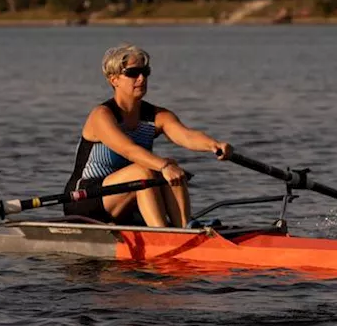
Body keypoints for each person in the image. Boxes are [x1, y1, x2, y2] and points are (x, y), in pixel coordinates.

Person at [63, 43, 233, 228]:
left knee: (169, 166)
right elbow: (129, 150)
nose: (141, 78)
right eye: (133, 73)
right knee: (148, 170)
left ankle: (184, 227)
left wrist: (214, 145)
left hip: (125, 196)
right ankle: (162, 234)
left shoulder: (157, 116)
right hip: (85, 199)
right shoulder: (102, 115)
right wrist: (163, 166)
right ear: (114, 80)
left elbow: (186, 136)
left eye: (145, 71)